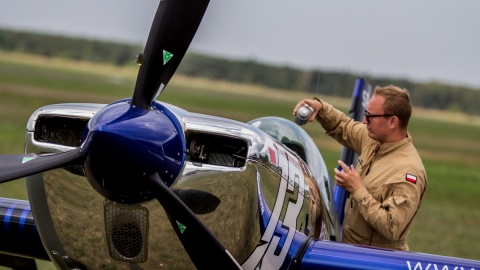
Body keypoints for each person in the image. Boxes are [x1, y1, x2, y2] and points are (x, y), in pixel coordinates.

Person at [293, 85, 427, 251]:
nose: (364, 122)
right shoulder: (373, 138)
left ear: (393, 122)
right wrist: (320, 108)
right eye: (365, 114)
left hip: (374, 261)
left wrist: (357, 190)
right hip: (350, 249)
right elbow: (344, 125)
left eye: (370, 117)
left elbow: (393, 228)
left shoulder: (409, 171)